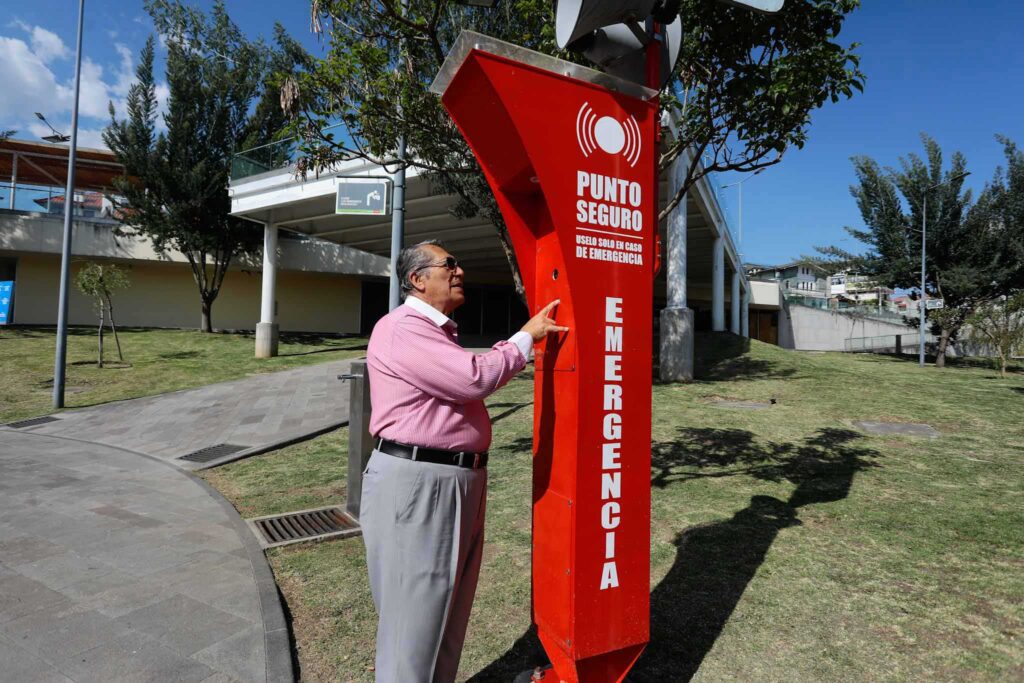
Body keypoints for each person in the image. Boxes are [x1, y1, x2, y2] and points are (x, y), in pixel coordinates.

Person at [362, 239, 566, 683]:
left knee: (446, 614)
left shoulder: (434, 331)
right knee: (413, 623)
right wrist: (525, 337)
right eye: (448, 264)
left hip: (452, 479)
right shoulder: (402, 327)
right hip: (420, 481)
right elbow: (471, 378)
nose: (459, 271)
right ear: (417, 279)